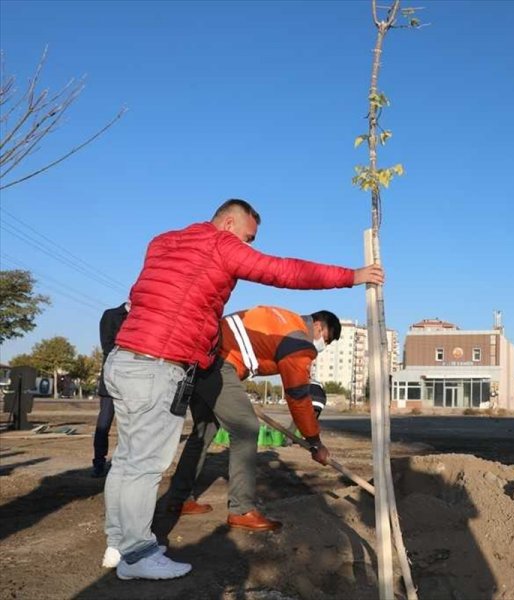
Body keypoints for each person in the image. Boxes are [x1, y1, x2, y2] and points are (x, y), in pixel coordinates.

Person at [102, 199, 384, 581]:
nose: (248, 246)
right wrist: (352, 275)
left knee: (136, 456)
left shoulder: (164, 242)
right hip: (166, 362)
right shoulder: (226, 251)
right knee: (228, 435)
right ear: (230, 223)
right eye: (248, 237)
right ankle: (144, 550)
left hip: (128, 356)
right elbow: (284, 273)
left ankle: (119, 542)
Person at [168, 306, 337, 531]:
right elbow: (297, 395)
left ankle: (178, 499)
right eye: (326, 339)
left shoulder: (284, 319)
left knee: (204, 430)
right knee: (246, 429)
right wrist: (315, 440)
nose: (322, 346)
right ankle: (241, 510)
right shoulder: (299, 340)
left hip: (201, 356)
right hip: (219, 362)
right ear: (317, 326)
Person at [93, 301, 130, 479]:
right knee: (104, 424)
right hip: (111, 380)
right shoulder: (110, 315)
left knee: (128, 426)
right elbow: (107, 346)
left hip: (132, 382)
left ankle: (122, 463)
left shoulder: (141, 319)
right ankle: (99, 462)